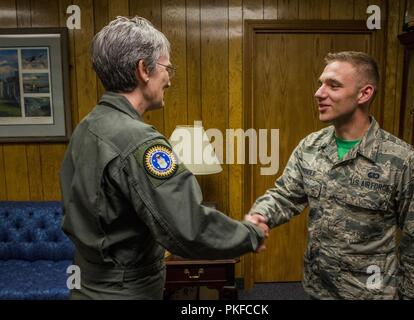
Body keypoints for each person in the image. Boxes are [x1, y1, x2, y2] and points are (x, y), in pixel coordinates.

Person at [60, 16, 268, 300]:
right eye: (167, 68)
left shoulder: (87, 127)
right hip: (126, 291)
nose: (169, 79)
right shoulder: (140, 142)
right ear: (144, 70)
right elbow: (188, 228)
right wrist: (249, 234)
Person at [246, 51, 414, 300]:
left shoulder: (402, 161)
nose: (319, 93)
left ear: (364, 93)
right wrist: (260, 215)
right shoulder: (311, 146)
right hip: (318, 288)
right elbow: (286, 195)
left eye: (334, 85)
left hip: (371, 294)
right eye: (321, 83)